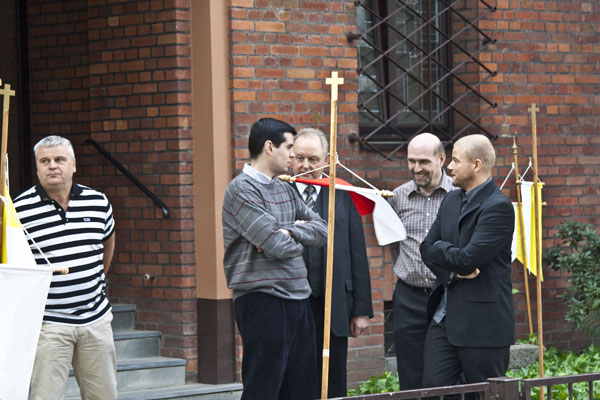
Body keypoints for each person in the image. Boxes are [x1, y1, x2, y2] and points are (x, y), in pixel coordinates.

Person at [222, 118, 328, 400]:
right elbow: (276, 246)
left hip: (298, 298)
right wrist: (289, 236)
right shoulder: (241, 190)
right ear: (270, 147)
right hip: (262, 300)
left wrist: (287, 230)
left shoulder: (284, 188)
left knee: (302, 389)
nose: (293, 156)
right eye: (290, 147)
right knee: (265, 388)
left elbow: (322, 231)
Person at [14, 135, 117, 400]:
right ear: (36, 168)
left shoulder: (98, 202)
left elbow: (108, 244)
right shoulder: (19, 210)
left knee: (103, 396)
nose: (52, 166)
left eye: (60, 159)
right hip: (48, 325)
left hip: (96, 320)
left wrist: (97, 281)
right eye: (44, 161)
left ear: (73, 165)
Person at [420, 134, 515, 388]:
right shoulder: (452, 199)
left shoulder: (498, 207)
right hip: (443, 320)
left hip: (483, 325)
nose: (448, 166)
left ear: (476, 165)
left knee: (486, 392)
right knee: (434, 389)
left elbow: (467, 259)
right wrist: (450, 272)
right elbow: (426, 248)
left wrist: (442, 248)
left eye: (455, 160)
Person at [291, 128, 373, 398]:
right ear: (290, 158)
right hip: (292, 302)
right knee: (295, 373)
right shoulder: (279, 191)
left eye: (313, 159)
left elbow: (357, 252)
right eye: (299, 158)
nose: (305, 166)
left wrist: (361, 310)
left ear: (326, 160)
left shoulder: (343, 193)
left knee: (333, 375)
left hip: (334, 301)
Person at [387, 132, 455, 390]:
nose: (416, 168)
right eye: (411, 161)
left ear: (441, 159)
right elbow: (395, 244)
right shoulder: (397, 197)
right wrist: (410, 269)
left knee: (444, 374)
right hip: (409, 298)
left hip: (447, 296)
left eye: (424, 162)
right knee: (410, 375)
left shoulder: (458, 195)